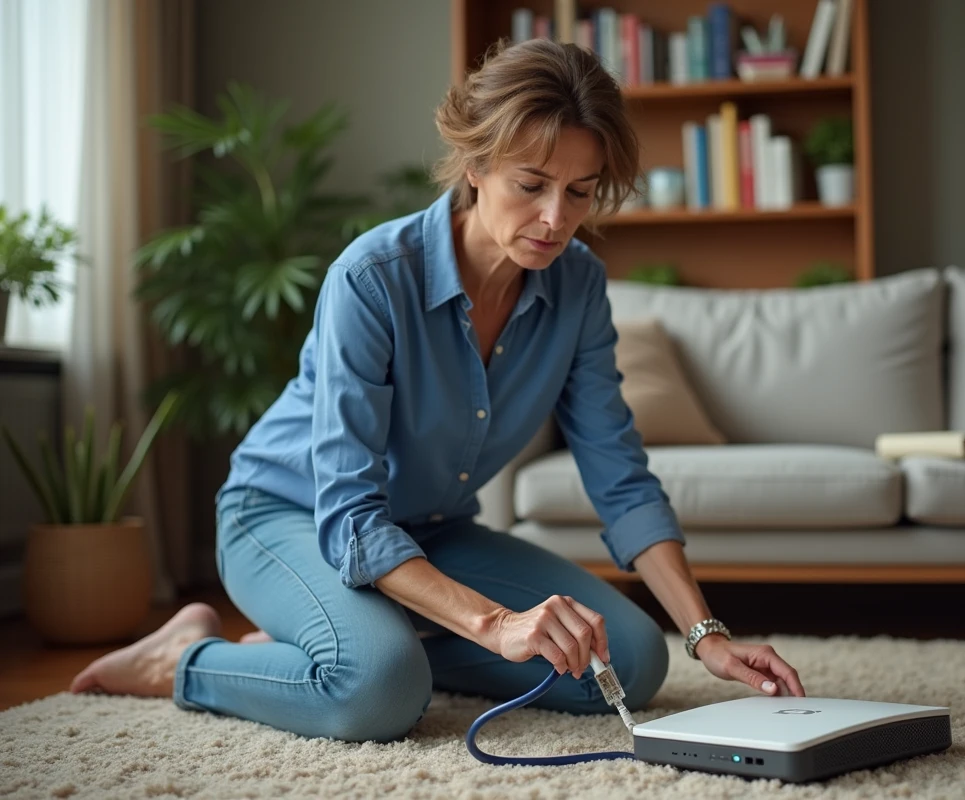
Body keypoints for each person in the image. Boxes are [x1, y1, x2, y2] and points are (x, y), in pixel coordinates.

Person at [69, 38, 805, 742]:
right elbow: (351, 513)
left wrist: (707, 636)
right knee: (381, 690)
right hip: (289, 513)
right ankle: (189, 658)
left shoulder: (578, 287)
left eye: (580, 192)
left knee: (632, 661)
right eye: (532, 185)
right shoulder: (371, 279)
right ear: (476, 164)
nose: (556, 219)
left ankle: (348, 644)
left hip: (429, 528)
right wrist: (492, 624)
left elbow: (618, 475)